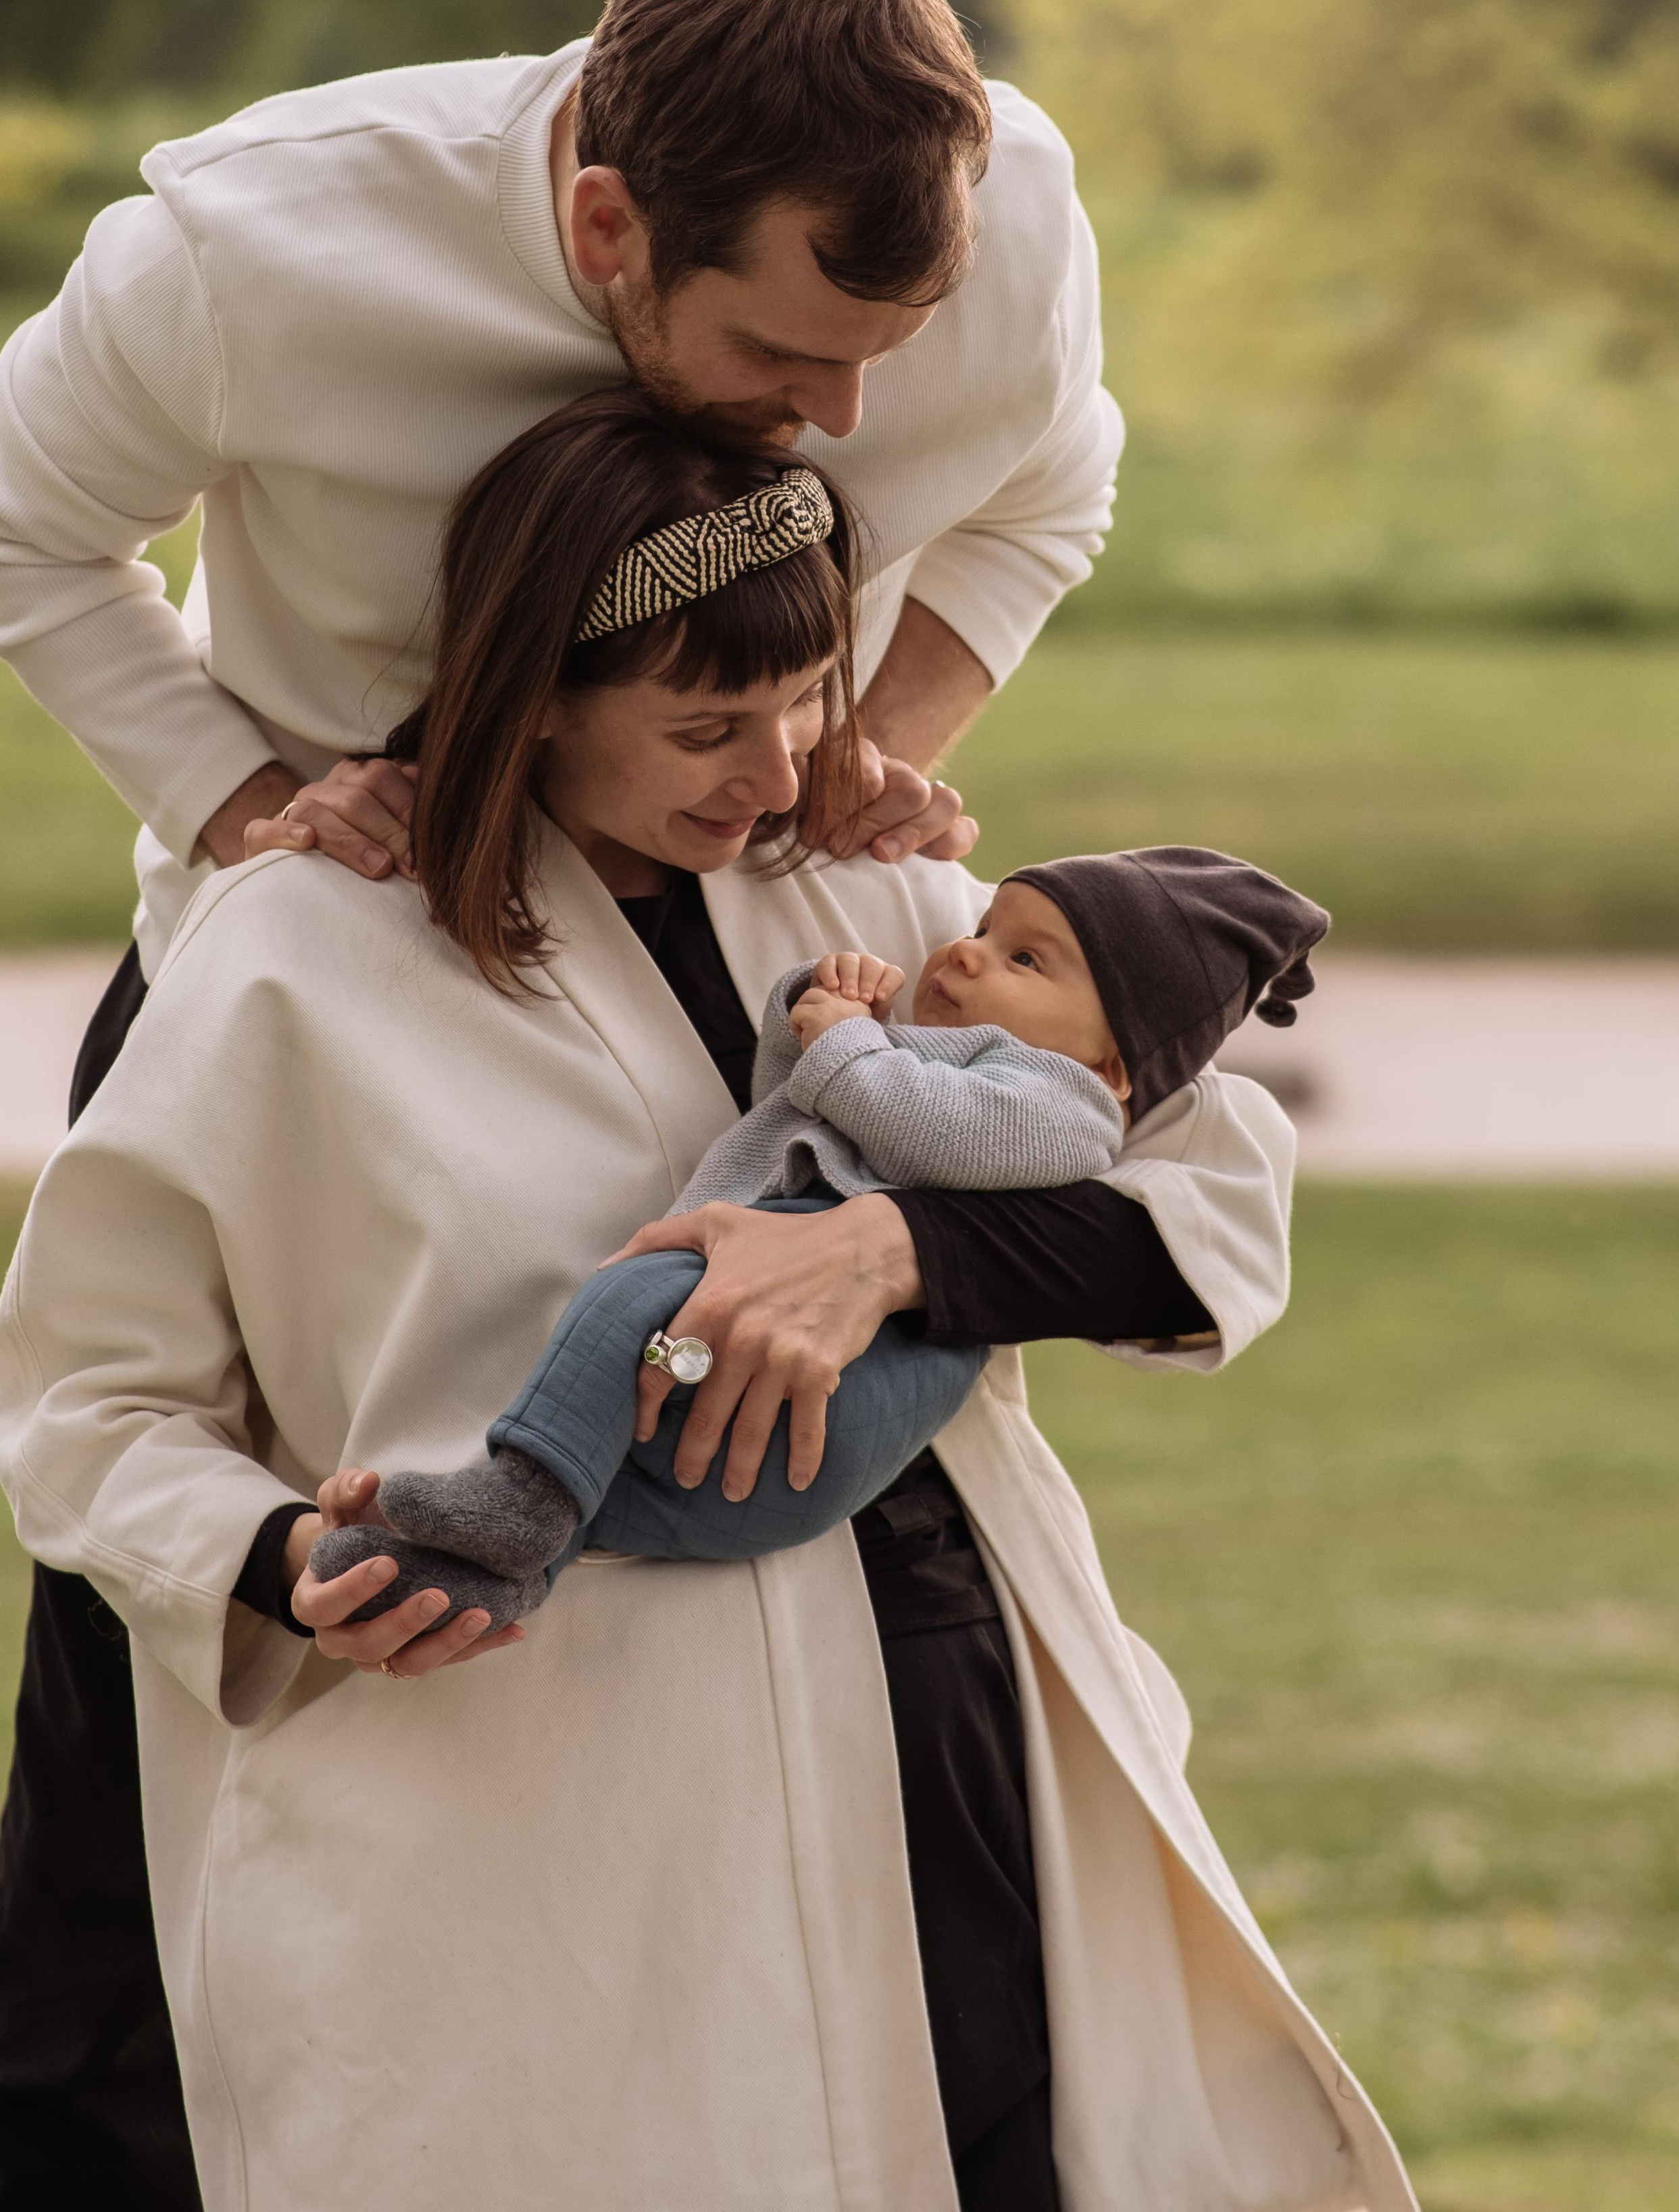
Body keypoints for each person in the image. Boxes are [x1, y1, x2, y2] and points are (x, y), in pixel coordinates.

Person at [0, 389, 1415, 2212]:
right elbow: (85, 1405)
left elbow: (1209, 1193)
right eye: (702, 728)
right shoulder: (290, 958)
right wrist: (278, 1560)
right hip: (535, 1814)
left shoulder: (879, 894)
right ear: (536, 695)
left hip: (941, 1753)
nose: (774, 773)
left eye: (808, 699)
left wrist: (896, 1254)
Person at [0, 0, 1122, 2201]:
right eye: (785, 354)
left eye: (888, 356)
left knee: (838, 1721)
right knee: (133, 1891)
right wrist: (246, 809)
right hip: (324, 1029)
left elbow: (1054, 485)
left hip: (774, 975)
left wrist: (874, 747)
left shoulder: (1002, 225)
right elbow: (21, 522)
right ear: (608, 228)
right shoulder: (252, 253)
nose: (846, 421)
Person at [355, 838, 1329, 1611]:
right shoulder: (934, 1053)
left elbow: (936, 1132)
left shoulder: (1062, 1103)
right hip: (770, 1439)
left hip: (853, 1399)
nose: (965, 951)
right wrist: (813, 1011)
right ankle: (476, 1569)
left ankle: (520, 1490)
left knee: (632, 1289)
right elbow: (787, 1108)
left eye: (1025, 959)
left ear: (1115, 1066)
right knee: (610, 1484)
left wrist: (854, 1046)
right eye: (984, 929)